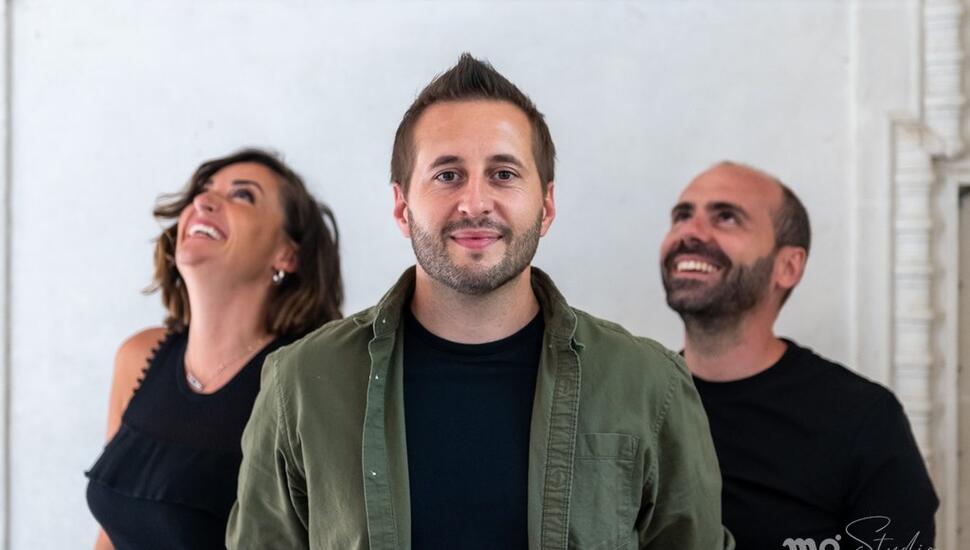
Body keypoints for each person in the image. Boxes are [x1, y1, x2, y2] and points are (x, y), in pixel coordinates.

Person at [227, 54, 733, 550]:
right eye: (447, 175)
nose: (474, 203)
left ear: (546, 206)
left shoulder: (650, 385)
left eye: (503, 174)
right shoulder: (300, 384)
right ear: (402, 208)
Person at [660, 161, 938, 549]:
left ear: (787, 267)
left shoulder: (864, 420)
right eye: (682, 216)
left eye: (726, 217)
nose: (690, 232)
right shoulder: (637, 403)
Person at [85, 148, 343, 550]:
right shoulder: (137, 356)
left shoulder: (306, 383)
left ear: (287, 255)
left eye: (243, 195)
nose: (203, 201)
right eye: (203, 190)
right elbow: (110, 534)